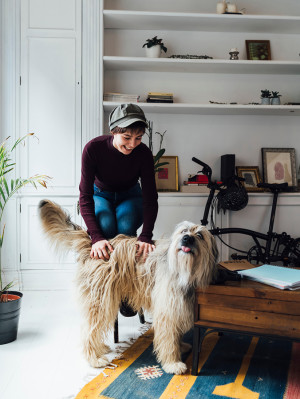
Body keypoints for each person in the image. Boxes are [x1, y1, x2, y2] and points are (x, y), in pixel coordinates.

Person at [79, 103, 158, 262]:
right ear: (113, 131)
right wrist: (96, 237)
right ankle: (105, 275)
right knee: (105, 225)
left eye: (139, 138)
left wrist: (145, 236)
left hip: (130, 195)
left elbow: (150, 198)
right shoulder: (93, 149)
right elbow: (85, 196)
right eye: (127, 137)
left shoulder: (144, 153)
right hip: (100, 194)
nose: (132, 144)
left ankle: (126, 272)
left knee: (126, 227)